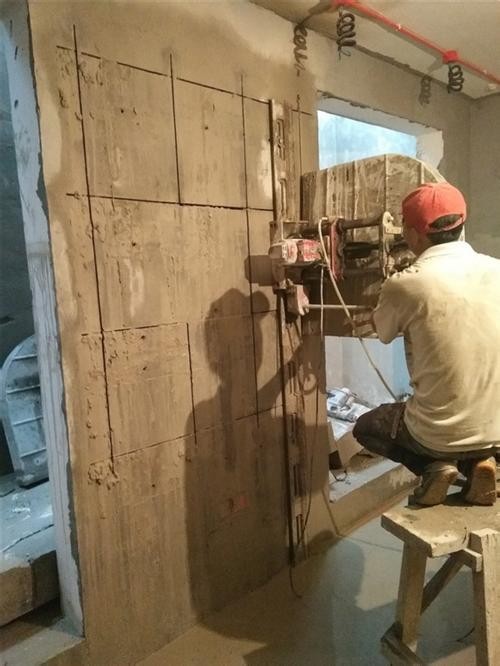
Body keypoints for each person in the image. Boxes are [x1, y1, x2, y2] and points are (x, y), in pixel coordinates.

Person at [353, 182, 500, 506]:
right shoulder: (497, 269)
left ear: (413, 233)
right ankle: (480, 463)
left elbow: (382, 332)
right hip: (496, 429)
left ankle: (434, 467)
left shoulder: (407, 283)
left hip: (435, 436)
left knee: (367, 427)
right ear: (461, 223)